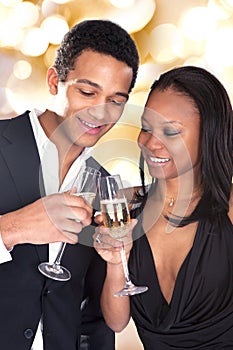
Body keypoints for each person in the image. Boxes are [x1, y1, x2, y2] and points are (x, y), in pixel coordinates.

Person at [0, 19, 139, 350]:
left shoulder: (106, 187)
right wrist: (12, 229)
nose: (101, 111)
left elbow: (105, 319)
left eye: (116, 100)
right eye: (88, 91)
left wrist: (117, 262)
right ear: (53, 81)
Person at [94, 66, 233, 349]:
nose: (150, 143)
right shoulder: (124, 205)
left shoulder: (228, 206)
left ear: (209, 133)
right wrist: (114, 263)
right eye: (146, 128)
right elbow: (117, 322)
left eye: (170, 132)